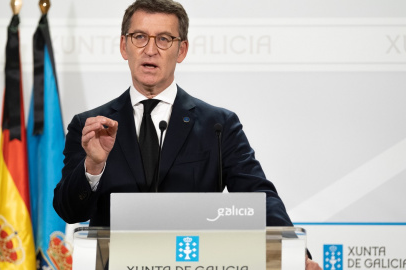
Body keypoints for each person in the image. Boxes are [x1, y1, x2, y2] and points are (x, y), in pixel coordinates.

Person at [53, 0, 321, 269]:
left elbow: (259, 196)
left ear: (181, 50)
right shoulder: (90, 126)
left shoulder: (218, 126)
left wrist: (296, 253)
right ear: (124, 46)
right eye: (139, 37)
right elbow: (70, 211)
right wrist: (93, 166)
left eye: (164, 39)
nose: (150, 49)